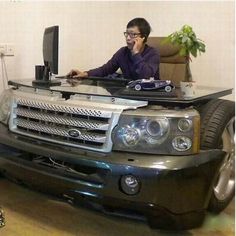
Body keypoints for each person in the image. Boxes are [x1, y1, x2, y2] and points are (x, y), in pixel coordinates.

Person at [67, 17, 160, 85]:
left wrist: (136, 53)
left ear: (143, 37)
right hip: (130, 95)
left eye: (132, 34)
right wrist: (85, 73)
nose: (127, 38)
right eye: (126, 34)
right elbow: (105, 69)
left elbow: (145, 76)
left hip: (150, 96)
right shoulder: (123, 52)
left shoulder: (153, 54)